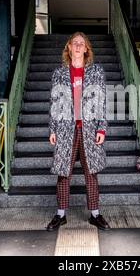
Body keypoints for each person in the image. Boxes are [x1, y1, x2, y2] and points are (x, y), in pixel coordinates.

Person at [46, 32, 111, 231]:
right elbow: (54, 103)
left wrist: (101, 128)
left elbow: (102, 101)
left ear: (86, 49)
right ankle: (60, 215)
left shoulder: (96, 71)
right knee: (63, 173)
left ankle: (95, 214)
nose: (78, 46)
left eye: (81, 43)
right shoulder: (59, 73)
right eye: (75, 43)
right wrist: (53, 128)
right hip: (66, 128)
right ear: (69, 47)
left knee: (91, 173)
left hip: (89, 128)